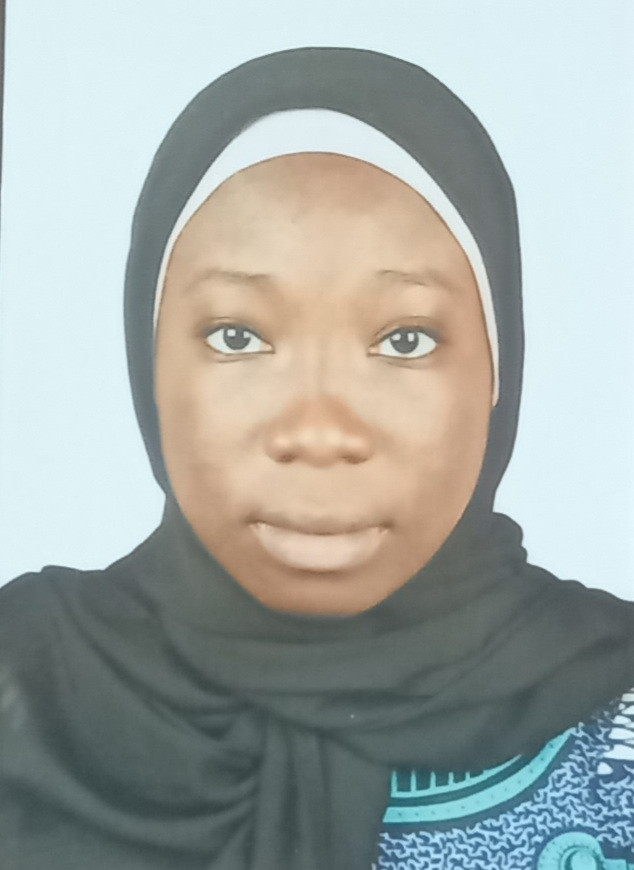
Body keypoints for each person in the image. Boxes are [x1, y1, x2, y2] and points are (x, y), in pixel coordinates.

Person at [1, 47, 633, 870]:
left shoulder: (616, 714)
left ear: (497, 373)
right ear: (146, 364)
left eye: (405, 340)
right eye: (237, 336)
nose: (320, 430)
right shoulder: (26, 679)